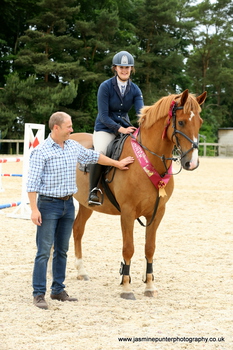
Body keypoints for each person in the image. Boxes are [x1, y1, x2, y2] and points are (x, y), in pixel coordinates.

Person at [27, 111, 134, 310]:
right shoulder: (41, 151)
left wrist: (117, 163)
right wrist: (34, 209)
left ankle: (58, 290)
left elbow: (95, 156)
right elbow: (31, 183)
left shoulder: (73, 146)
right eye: (69, 126)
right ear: (56, 128)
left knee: (62, 250)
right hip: (48, 205)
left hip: (68, 205)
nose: (72, 129)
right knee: (43, 251)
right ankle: (39, 293)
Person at [88, 50, 144, 205]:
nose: (124, 70)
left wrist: (144, 124)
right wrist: (121, 129)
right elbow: (104, 116)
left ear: (131, 69)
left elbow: (141, 113)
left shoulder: (135, 90)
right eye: (121, 67)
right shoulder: (105, 87)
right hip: (104, 128)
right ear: (115, 68)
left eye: (127, 68)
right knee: (100, 152)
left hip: (125, 128)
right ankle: (93, 190)